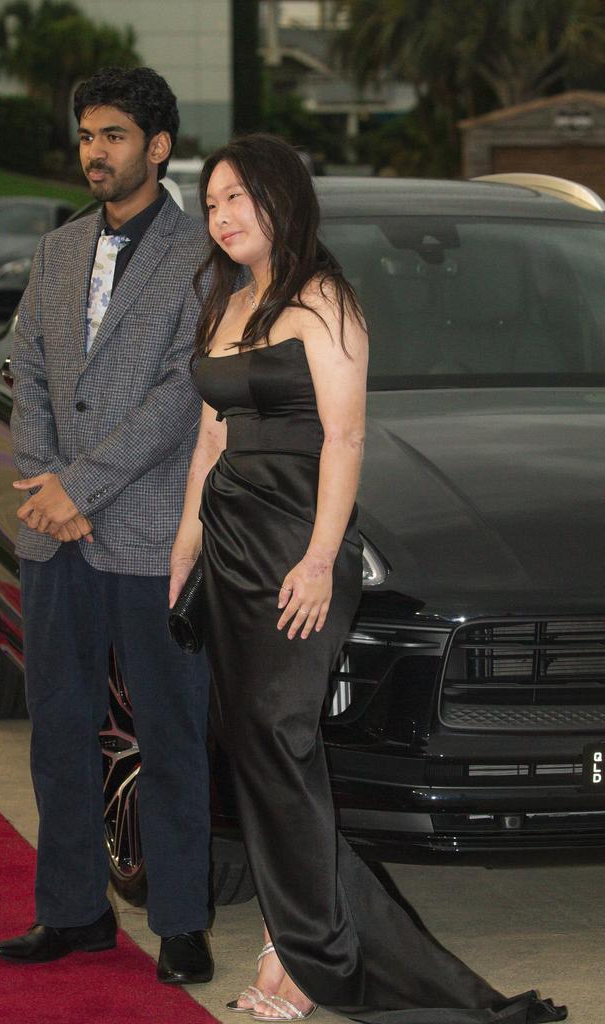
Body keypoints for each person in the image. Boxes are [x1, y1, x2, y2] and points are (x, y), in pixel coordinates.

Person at [170, 134, 566, 1023]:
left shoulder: (326, 301)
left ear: (281, 201)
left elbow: (345, 439)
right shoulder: (226, 304)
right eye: (212, 204)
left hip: (296, 549)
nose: (224, 217)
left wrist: (320, 557)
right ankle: (291, 942)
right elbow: (208, 440)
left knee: (282, 740)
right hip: (229, 547)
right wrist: (182, 551)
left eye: (239, 198)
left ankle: (318, 957)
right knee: (256, 749)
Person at [0, 66, 213, 986]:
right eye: (86, 135)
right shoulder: (55, 252)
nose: (94, 151)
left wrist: (82, 487)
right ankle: (72, 912)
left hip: (151, 531)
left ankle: (184, 922)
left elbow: (180, 399)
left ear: (157, 147)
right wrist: (48, 486)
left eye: (113, 135)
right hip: (55, 533)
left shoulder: (203, 256)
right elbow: (28, 370)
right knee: (60, 726)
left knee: (169, 731)